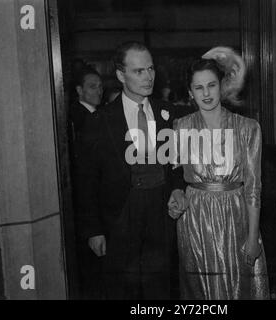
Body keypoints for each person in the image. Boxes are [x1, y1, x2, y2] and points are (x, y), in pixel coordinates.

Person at [75, 41, 186, 299]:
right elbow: (87, 182)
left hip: (160, 215)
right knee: (121, 289)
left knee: (160, 288)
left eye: (150, 69)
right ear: (120, 75)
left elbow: (176, 164)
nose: (148, 77)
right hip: (119, 216)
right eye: (139, 71)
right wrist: (94, 230)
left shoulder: (168, 113)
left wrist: (178, 189)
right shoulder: (99, 121)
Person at [167, 48, 269, 300]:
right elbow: (174, 177)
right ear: (190, 92)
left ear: (221, 86)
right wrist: (175, 196)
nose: (206, 93)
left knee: (239, 287)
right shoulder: (180, 127)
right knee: (201, 292)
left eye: (211, 85)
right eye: (198, 87)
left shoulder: (248, 128)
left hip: (236, 216)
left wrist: (253, 235)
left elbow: (253, 187)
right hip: (195, 219)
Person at [69, 66, 105, 299]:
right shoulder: (82, 119)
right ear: (79, 90)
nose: (99, 91)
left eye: (101, 86)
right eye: (93, 87)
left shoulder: (94, 116)